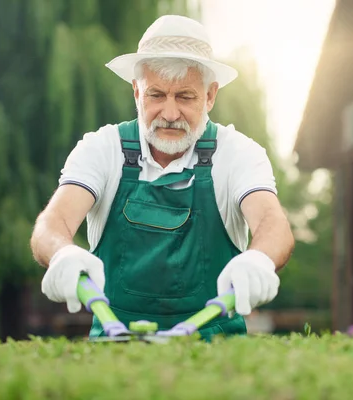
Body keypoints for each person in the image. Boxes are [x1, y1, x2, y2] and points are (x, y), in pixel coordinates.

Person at [30, 15, 295, 341]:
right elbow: (53, 221)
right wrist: (62, 252)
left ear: (210, 96)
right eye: (156, 95)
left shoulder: (237, 153)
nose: (170, 114)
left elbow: (273, 221)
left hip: (219, 349)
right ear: (136, 92)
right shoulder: (102, 148)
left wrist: (259, 259)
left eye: (185, 97)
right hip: (115, 346)